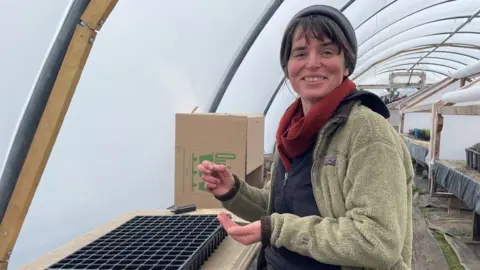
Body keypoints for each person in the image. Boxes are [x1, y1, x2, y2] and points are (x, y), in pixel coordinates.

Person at [197, 5, 413, 270]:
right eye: (300, 53)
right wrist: (234, 192)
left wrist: (278, 229)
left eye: (327, 51)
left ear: (347, 64)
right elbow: (280, 208)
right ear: (288, 68)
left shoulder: (367, 133)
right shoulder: (293, 132)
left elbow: (378, 241)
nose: (313, 62)